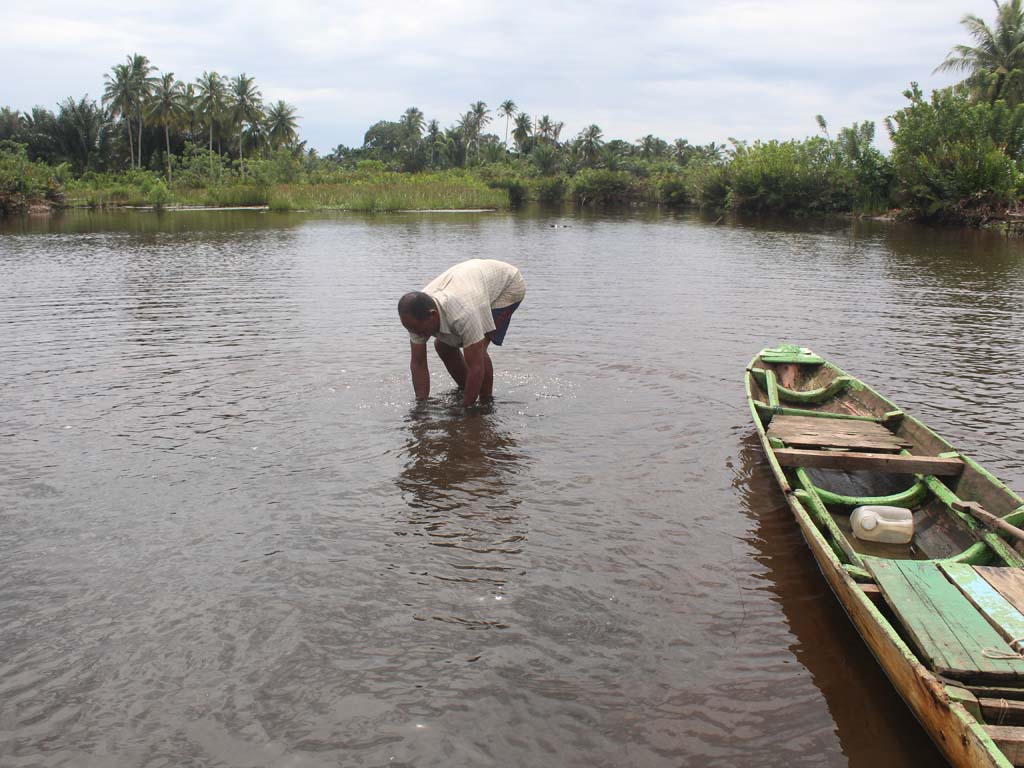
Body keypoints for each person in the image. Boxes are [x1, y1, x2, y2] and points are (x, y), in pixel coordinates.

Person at [398, 259, 526, 406]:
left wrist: (466, 410)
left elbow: (476, 367)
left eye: (419, 330)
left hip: (507, 286)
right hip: (471, 282)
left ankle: (485, 403)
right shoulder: (414, 318)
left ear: (432, 315)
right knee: (443, 346)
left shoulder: (463, 313)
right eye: (410, 329)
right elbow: (418, 362)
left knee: (478, 351)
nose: (417, 334)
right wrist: (421, 406)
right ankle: (467, 389)